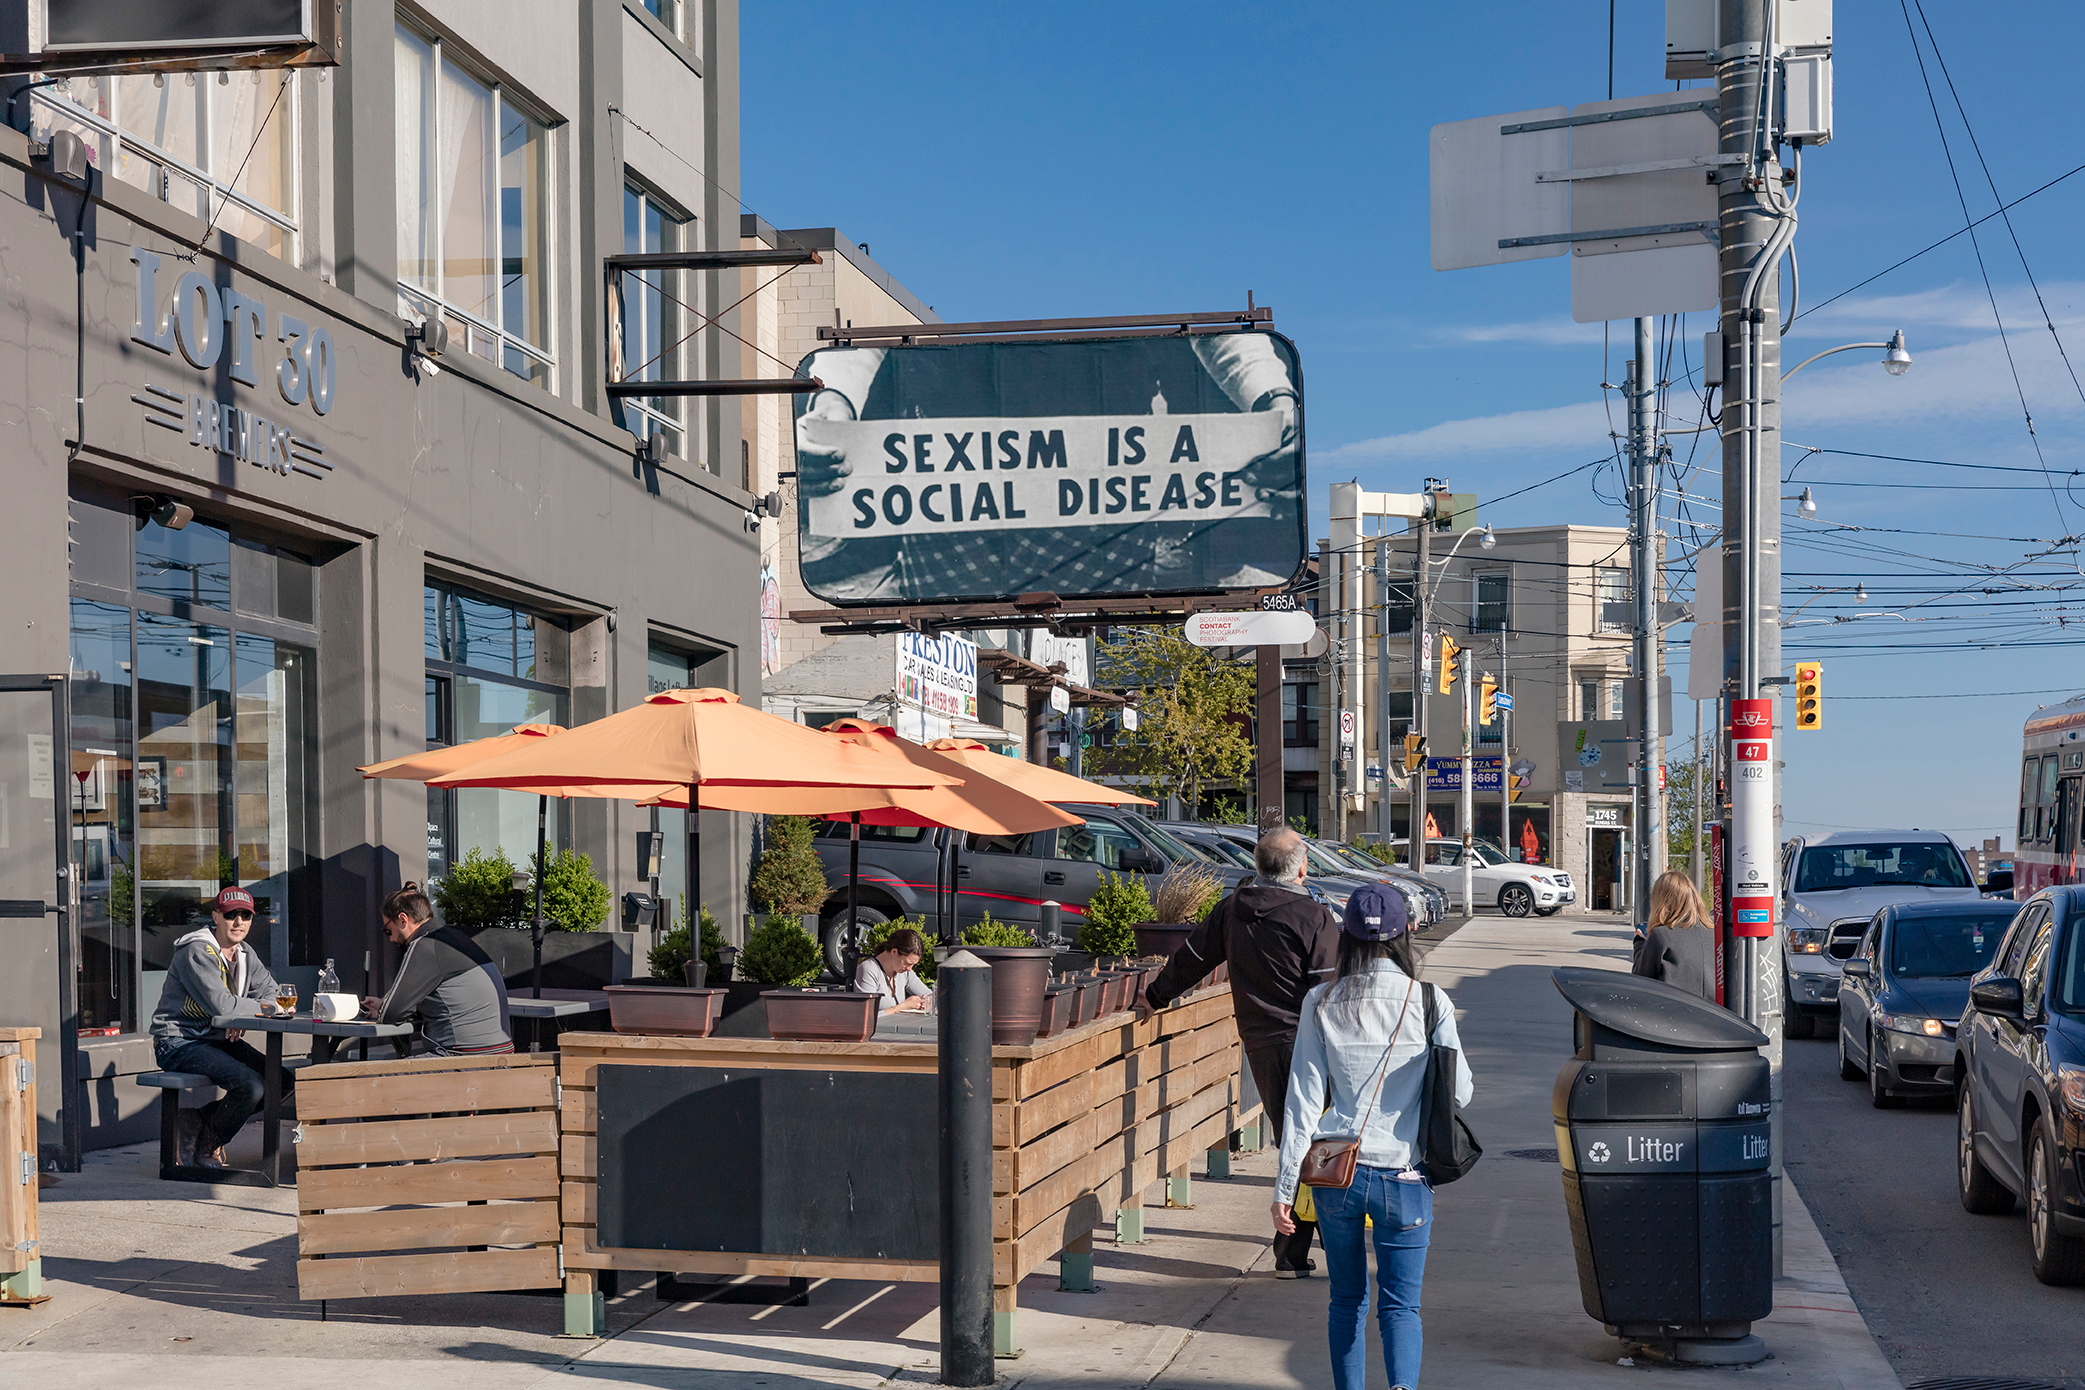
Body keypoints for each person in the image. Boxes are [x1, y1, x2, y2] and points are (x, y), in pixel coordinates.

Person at [1273, 881, 1473, 1390]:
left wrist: (1283, 1192)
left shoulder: (1321, 1001)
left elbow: (1302, 1103)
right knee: (1402, 1307)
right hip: (1405, 1176)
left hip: (1336, 1174)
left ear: (1347, 936)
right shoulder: (1430, 1002)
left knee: (1346, 1300)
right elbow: (1462, 1092)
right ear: (1405, 932)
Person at [1143, 827, 1338, 1276]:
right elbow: (1329, 991)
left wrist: (1155, 996)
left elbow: (1193, 957)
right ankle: (1316, 1240)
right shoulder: (1313, 918)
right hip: (1308, 1045)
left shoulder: (1232, 911)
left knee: (1297, 1140)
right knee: (1319, 1144)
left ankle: (1294, 1250)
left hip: (1260, 1042)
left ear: (1258, 867)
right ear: (1302, 869)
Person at [149, 886, 289, 1168]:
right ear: (216, 916)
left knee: (281, 1080)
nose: (238, 923)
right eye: (230, 915)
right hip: (177, 1041)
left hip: (214, 1039)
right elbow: (223, 1006)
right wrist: (256, 1010)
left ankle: (197, 1119)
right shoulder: (197, 951)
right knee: (250, 1086)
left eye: (245, 916)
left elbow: (274, 993)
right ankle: (209, 1145)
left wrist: (242, 1013)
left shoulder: (246, 954)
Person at [359, 883, 513, 1055]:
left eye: (388, 930)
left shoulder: (425, 945)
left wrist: (384, 1009)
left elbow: (392, 1014)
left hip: (464, 1057)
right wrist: (384, 1006)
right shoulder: (453, 940)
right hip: (499, 1054)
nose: (390, 939)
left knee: (375, 1081)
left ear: (403, 919)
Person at [1633, 870, 1718, 1000]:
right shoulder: (1715, 932)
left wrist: (1639, 944)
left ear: (1660, 902)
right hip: (1716, 1013)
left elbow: (1641, 980)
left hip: (1675, 1013)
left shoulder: (1662, 935)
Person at [856, 926, 933, 1014]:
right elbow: (865, 1015)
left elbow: (930, 995)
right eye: (907, 963)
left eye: (913, 965)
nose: (909, 968)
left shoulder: (904, 972)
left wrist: (927, 1002)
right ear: (894, 952)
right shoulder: (868, 969)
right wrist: (901, 1007)